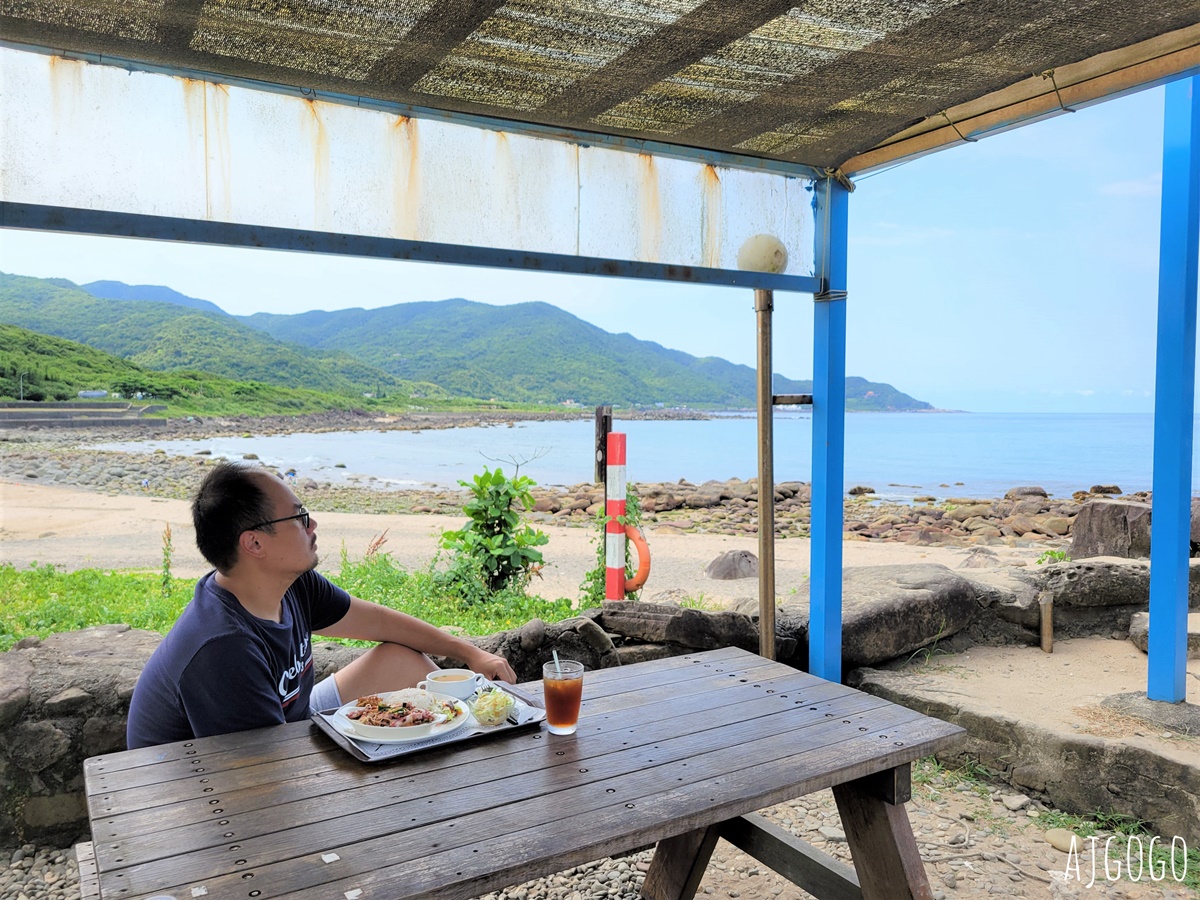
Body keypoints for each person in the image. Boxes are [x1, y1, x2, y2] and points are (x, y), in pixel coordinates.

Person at [127, 461, 516, 749]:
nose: (313, 526)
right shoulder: (222, 647)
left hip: (287, 722)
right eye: (300, 518)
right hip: (203, 791)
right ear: (255, 544)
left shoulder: (292, 585)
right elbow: (265, 772)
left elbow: (378, 622)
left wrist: (469, 653)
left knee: (400, 659)